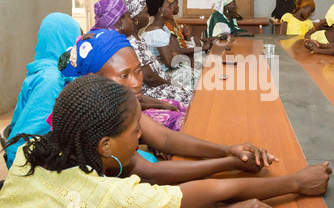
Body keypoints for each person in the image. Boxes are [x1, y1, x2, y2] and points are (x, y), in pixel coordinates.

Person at [0, 74, 332, 208]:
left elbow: (146, 183)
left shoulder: (35, 154)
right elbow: (217, 188)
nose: (142, 136)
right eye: (136, 132)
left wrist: (225, 166)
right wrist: (297, 183)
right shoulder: (106, 196)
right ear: (105, 145)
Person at [59, 29, 279, 184]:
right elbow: (149, 174)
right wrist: (229, 162)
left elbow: (165, 138)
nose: (136, 82)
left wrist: (226, 149)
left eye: (137, 71)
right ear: (91, 79)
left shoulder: (118, 105)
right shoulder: (89, 119)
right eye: (124, 75)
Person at [85, 0, 187, 132]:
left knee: (183, 107)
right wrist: (160, 103)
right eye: (128, 16)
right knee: (182, 117)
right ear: (119, 21)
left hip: (134, 100)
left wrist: (161, 104)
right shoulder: (114, 51)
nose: (131, 20)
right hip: (125, 109)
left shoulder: (122, 44)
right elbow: (130, 92)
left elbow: (129, 93)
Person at [4, 13, 81, 169]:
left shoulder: (55, 72)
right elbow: (26, 145)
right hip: (34, 164)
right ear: (65, 40)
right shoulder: (50, 80)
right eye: (76, 40)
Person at [121, 0, 193, 106]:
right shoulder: (132, 42)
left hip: (161, 82)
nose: (148, 16)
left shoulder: (139, 38)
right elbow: (149, 78)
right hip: (152, 90)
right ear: (136, 18)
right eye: (145, 13)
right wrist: (172, 85)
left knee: (192, 93)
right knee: (191, 99)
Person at [142, 0, 200, 90]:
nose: (172, 9)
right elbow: (170, 63)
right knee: (199, 80)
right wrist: (177, 56)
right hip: (164, 74)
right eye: (169, 6)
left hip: (171, 68)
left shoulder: (163, 28)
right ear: (160, 10)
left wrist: (175, 55)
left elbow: (173, 52)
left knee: (200, 74)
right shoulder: (157, 33)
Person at [160, 0, 212, 65]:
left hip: (185, 56)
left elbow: (181, 42)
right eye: (176, 5)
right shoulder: (167, 26)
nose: (178, 7)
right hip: (180, 59)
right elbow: (178, 50)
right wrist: (203, 48)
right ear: (169, 7)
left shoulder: (173, 21)